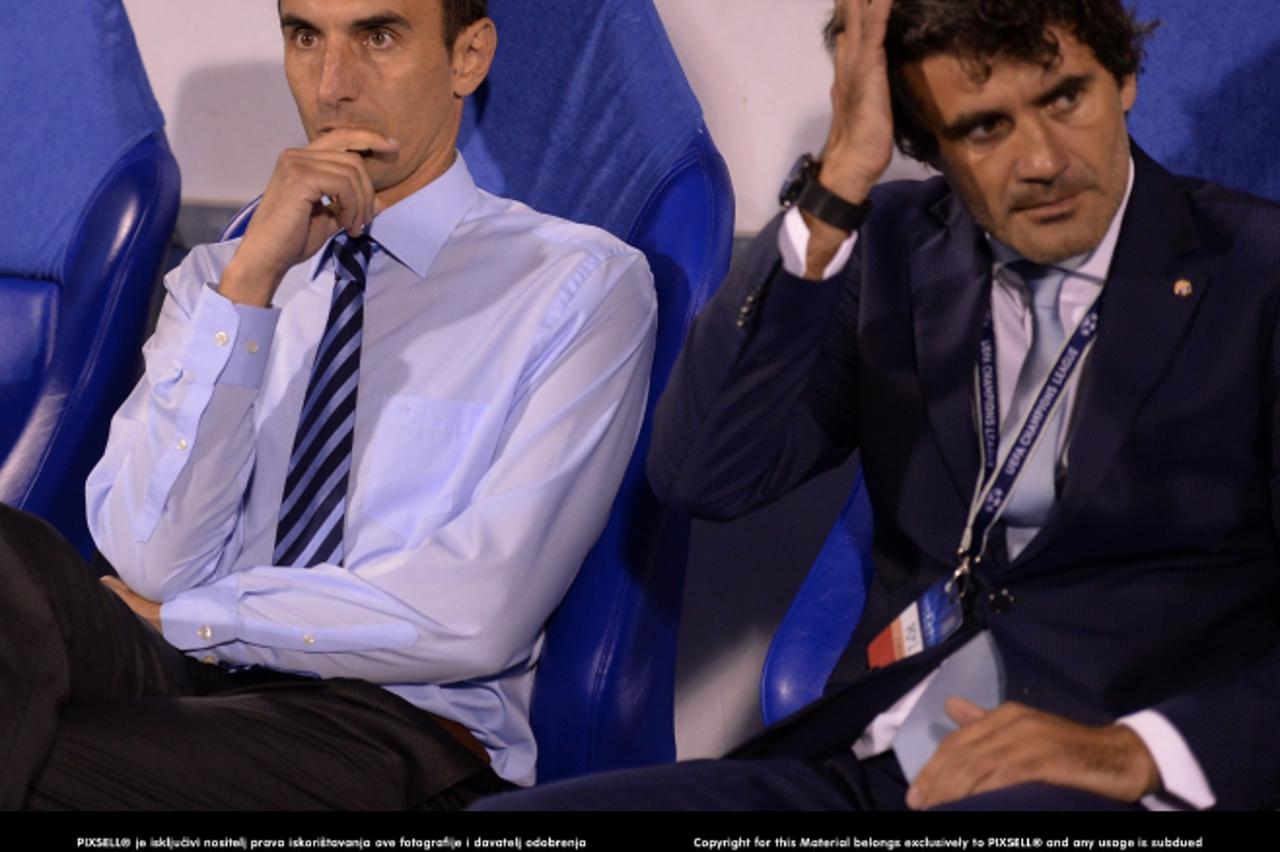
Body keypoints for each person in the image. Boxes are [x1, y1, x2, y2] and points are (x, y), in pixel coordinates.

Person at [474, 0, 1280, 811]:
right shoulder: (892, 251)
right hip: (876, 762)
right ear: (929, 146)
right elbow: (702, 474)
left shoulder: (1259, 273)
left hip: (1113, 768)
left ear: (1125, 79)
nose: (1041, 159)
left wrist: (1141, 751)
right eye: (984, 129)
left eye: (1066, 99)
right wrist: (836, 190)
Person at [0, 0, 656, 810]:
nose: (333, 85)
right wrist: (250, 290)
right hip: (182, 675)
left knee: (42, 767)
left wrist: (195, 618)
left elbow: (477, 612)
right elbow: (151, 561)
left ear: (468, 56)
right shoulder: (223, 274)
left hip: (389, 724)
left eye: (378, 37)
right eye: (305, 37)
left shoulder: (575, 285)